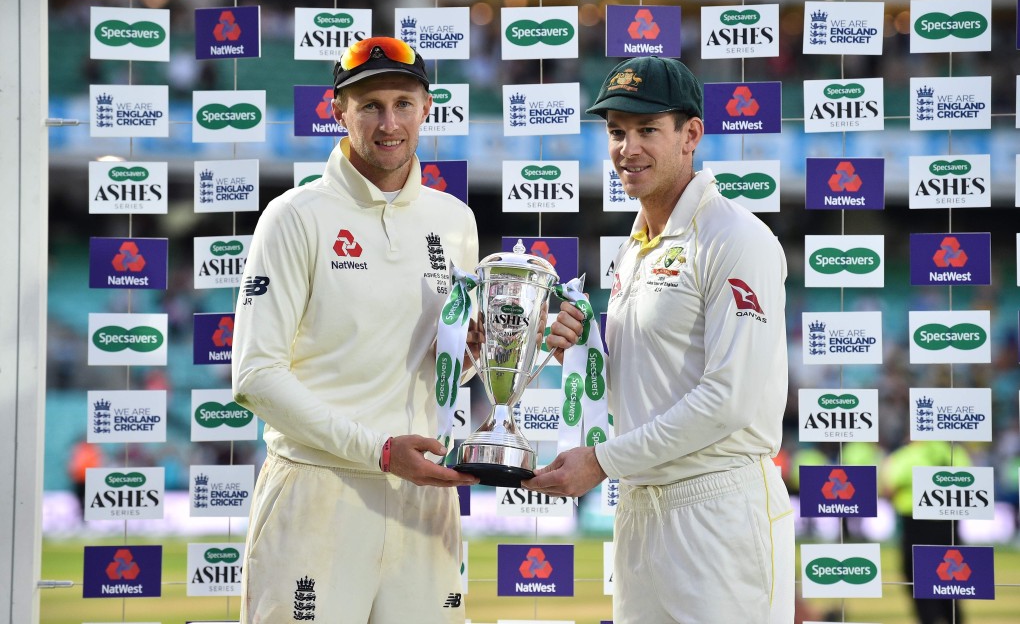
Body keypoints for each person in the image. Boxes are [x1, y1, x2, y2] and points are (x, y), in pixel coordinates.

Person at [525, 56, 794, 623]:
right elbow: (653, 376)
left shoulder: (736, 237)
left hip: (718, 509)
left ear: (691, 134)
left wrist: (602, 461)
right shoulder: (637, 245)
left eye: (648, 129)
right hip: (641, 509)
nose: (629, 148)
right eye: (617, 132)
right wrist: (584, 348)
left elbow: (727, 400)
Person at [232, 36, 479, 624]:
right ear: (336, 110)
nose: (388, 122)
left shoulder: (454, 220)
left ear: (427, 107)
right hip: (320, 490)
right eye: (369, 105)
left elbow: (435, 369)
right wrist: (380, 451)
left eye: (403, 102)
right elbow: (255, 376)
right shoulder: (295, 216)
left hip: (424, 492)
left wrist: (470, 356)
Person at [882, 439, 970, 624]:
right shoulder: (953, 452)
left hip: (916, 524)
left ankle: (930, 619)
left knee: (918, 580)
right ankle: (954, 619)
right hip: (949, 524)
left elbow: (888, 488)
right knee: (951, 582)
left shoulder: (906, 455)